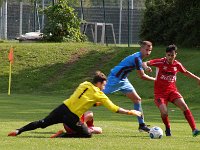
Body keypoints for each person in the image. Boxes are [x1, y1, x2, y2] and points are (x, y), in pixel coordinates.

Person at [8, 71, 142, 138]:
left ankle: (19, 130)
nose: (104, 87)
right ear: (99, 83)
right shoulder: (99, 94)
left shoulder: (84, 84)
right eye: (104, 85)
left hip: (62, 108)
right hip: (71, 117)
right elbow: (114, 109)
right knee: (87, 134)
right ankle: (62, 135)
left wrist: (95, 104)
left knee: (43, 122)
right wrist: (131, 111)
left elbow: (82, 99)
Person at [142, 44, 200, 137]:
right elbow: (144, 63)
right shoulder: (160, 62)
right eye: (168, 55)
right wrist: (146, 68)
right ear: (166, 55)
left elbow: (186, 72)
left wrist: (197, 78)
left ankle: (194, 129)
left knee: (184, 106)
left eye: (172, 55)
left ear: (175, 54)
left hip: (172, 91)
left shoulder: (177, 64)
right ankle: (168, 128)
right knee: (164, 113)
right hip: (160, 94)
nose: (170, 57)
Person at [103, 41, 155, 132]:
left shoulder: (139, 57)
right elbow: (142, 76)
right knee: (97, 96)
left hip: (123, 80)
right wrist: (155, 80)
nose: (148, 52)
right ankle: (77, 111)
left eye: (150, 50)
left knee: (137, 99)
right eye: (146, 50)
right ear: (141, 49)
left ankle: (142, 125)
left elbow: (141, 64)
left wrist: (146, 67)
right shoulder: (137, 58)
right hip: (114, 79)